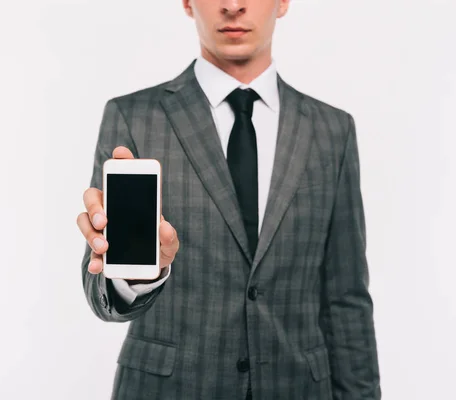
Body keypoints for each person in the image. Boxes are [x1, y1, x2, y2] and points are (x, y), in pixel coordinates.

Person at [76, 0, 381, 399]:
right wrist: (137, 274)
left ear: (283, 2)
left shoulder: (331, 130)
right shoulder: (135, 116)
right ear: (187, 3)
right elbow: (102, 294)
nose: (233, 6)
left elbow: (346, 297)